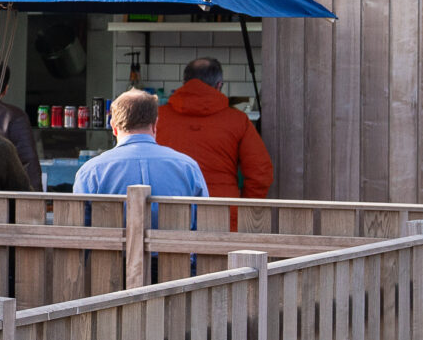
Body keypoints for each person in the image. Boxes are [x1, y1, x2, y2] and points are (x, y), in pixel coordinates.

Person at [72, 89, 211, 220]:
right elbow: (203, 223)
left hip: (112, 246)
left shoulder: (91, 171)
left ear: (114, 127)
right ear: (155, 125)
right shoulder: (188, 167)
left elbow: (80, 228)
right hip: (173, 246)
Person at [154, 57, 275, 199]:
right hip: (223, 210)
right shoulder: (238, 121)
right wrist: (244, 209)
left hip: (170, 207)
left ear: (184, 84)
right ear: (219, 85)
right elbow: (260, 173)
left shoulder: (156, 118)